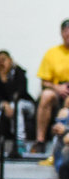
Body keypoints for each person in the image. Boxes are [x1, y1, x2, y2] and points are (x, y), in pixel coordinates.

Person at [0, 50, 34, 150]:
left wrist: (6, 82)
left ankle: (20, 141)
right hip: (5, 104)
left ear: (10, 60)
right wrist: (4, 103)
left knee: (16, 106)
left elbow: (21, 92)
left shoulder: (20, 72)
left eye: (3, 60)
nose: (1, 64)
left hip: (24, 103)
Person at [36, 20, 69, 154]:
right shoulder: (52, 53)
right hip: (58, 90)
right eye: (66, 30)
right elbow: (44, 82)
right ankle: (40, 141)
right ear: (62, 33)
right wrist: (57, 88)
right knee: (46, 96)